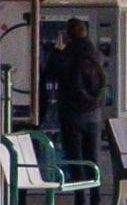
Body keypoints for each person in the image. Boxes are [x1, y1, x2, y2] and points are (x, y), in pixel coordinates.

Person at [49, 24, 115, 179]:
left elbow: (52, 72)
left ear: (68, 35)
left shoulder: (67, 54)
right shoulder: (97, 54)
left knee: (75, 158)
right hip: (94, 114)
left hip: (71, 115)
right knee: (93, 158)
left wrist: (56, 50)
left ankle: (80, 199)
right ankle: (95, 196)